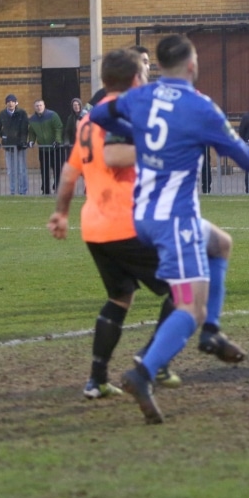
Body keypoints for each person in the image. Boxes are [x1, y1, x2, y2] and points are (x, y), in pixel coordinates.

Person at [89, 34, 249, 424]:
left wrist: (139, 132)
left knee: (221, 244)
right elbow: (248, 162)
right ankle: (143, 371)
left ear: (159, 66)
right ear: (193, 66)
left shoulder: (141, 97)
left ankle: (211, 331)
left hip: (144, 215)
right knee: (187, 307)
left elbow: (98, 115)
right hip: (174, 222)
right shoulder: (200, 108)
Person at [48, 49, 182, 399]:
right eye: (144, 71)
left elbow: (69, 170)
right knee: (183, 290)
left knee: (120, 297)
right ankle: (149, 362)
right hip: (129, 224)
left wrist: (61, 212)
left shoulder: (89, 119)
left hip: (95, 226)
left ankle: (96, 380)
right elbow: (116, 155)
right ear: (136, 78)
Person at [87, 45, 151, 109]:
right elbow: (84, 114)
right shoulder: (102, 94)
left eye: (146, 62)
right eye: (142, 62)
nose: (145, 67)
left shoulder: (152, 96)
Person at [0, 93, 29, 195]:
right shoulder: (2, 114)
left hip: (20, 147)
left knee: (22, 170)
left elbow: (24, 129)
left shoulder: (22, 113)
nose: (10, 104)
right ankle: (13, 191)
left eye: (12, 101)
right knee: (11, 171)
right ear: (6, 104)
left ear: (16, 103)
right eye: (8, 102)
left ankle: (23, 191)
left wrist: (22, 141)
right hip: (8, 146)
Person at [28, 99, 64, 195]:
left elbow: (58, 128)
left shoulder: (53, 115)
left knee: (57, 169)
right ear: (34, 107)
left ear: (44, 106)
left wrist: (57, 140)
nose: (39, 107)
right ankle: (45, 190)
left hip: (54, 148)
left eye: (40, 105)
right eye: (37, 106)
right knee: (44, 170)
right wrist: (31, 141)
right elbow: (31, 132)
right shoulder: (32, 119)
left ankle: (58, 187)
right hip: (43, 149)